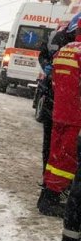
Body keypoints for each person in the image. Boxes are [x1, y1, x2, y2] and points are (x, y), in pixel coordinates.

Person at [40, 18, 81, 218]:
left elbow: (54, 79)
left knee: (55, 157)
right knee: (66, 161)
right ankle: (51, 199)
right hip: (76, 116)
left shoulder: (66, 49)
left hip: (60, 112)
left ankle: (47, 194)